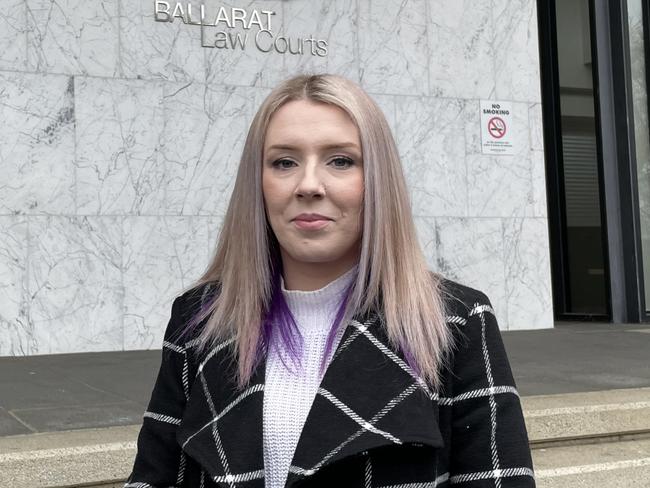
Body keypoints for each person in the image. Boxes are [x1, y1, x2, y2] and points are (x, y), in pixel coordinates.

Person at [124, 74, 536, 488]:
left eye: (340, 160)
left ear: (377, 180)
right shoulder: (200, 320)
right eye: (284, 162)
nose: (308, 185)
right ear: (258, 183)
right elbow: (154, 478)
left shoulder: (455, 321)